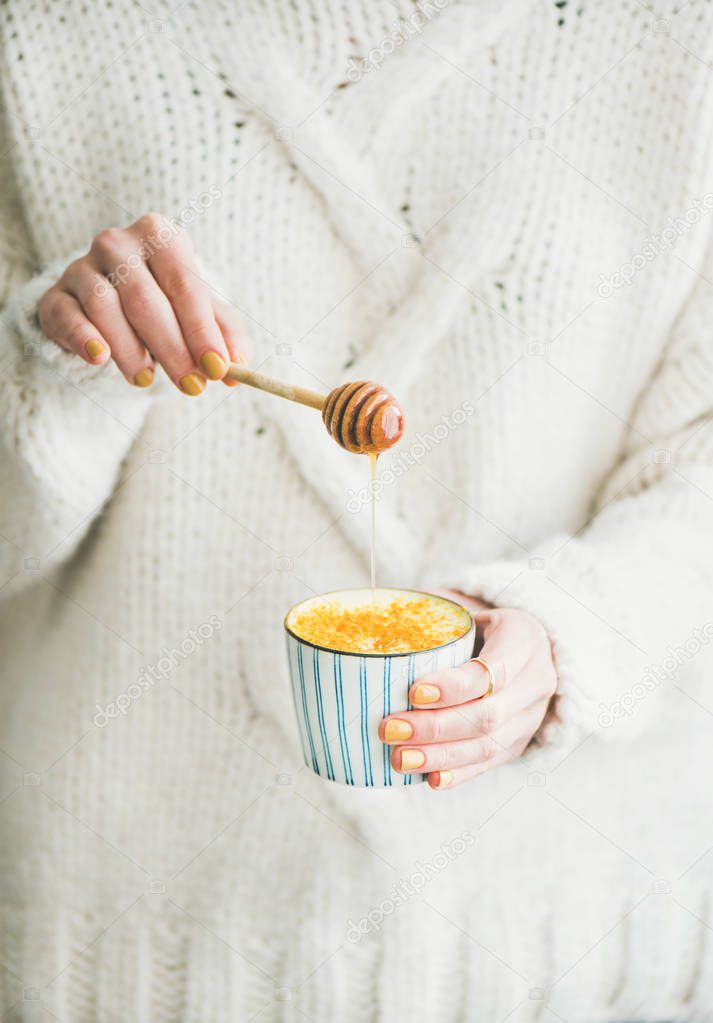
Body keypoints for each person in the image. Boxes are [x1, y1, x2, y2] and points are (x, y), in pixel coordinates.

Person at [1, 2, 712, 1020]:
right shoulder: (46, 33)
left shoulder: (675, 36)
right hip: (116, 943)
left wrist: (570, 639)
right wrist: (52, 368)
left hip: (568, 941)